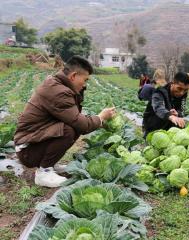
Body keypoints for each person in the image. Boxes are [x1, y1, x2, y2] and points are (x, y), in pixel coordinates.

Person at [14, 56, 116, 188]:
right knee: (68, 130)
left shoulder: (58, 85)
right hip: (27, 151)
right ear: (73, 76)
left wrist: (97, 120)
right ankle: (44, 173)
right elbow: (82, 124)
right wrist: (101, 117)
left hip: (33, 143)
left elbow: (76, 117)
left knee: (71, 127)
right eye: (85, 80)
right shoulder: (59, 92)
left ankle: (50, 163)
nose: (85, 84)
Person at [143, 72, 189, 136]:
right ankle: (149, 134)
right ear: (172, 83)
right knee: (164, 115)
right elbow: (158, 108)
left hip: (167, 125)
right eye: (179, 88)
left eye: (185, 90)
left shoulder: (183, 95)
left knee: (180, 122)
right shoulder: (159, 92)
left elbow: (182, 109)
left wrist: (178, 113)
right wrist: (170, 116)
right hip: (152, 124)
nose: (182, 93)